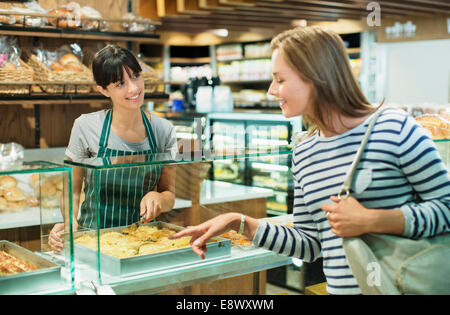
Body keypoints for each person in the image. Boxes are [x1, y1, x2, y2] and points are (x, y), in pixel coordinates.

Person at [170, 26, 450, 295]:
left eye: (280, 80)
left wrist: (372, 220)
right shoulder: (304, 152)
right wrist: (240, 223)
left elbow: (446, 209)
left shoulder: (393, 127)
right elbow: (310, 243)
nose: (271, 90)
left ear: (316, 77)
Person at [49, 45, 178, 252]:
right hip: (93, 242)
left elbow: (169, 194)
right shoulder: (85, 126)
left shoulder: (164, 130)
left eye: (136, 76)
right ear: (103, 90)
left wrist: (159, 199)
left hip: (143, 243)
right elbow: (71, 192)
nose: (134, 88)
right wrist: (69, 222)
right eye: (120, 84)